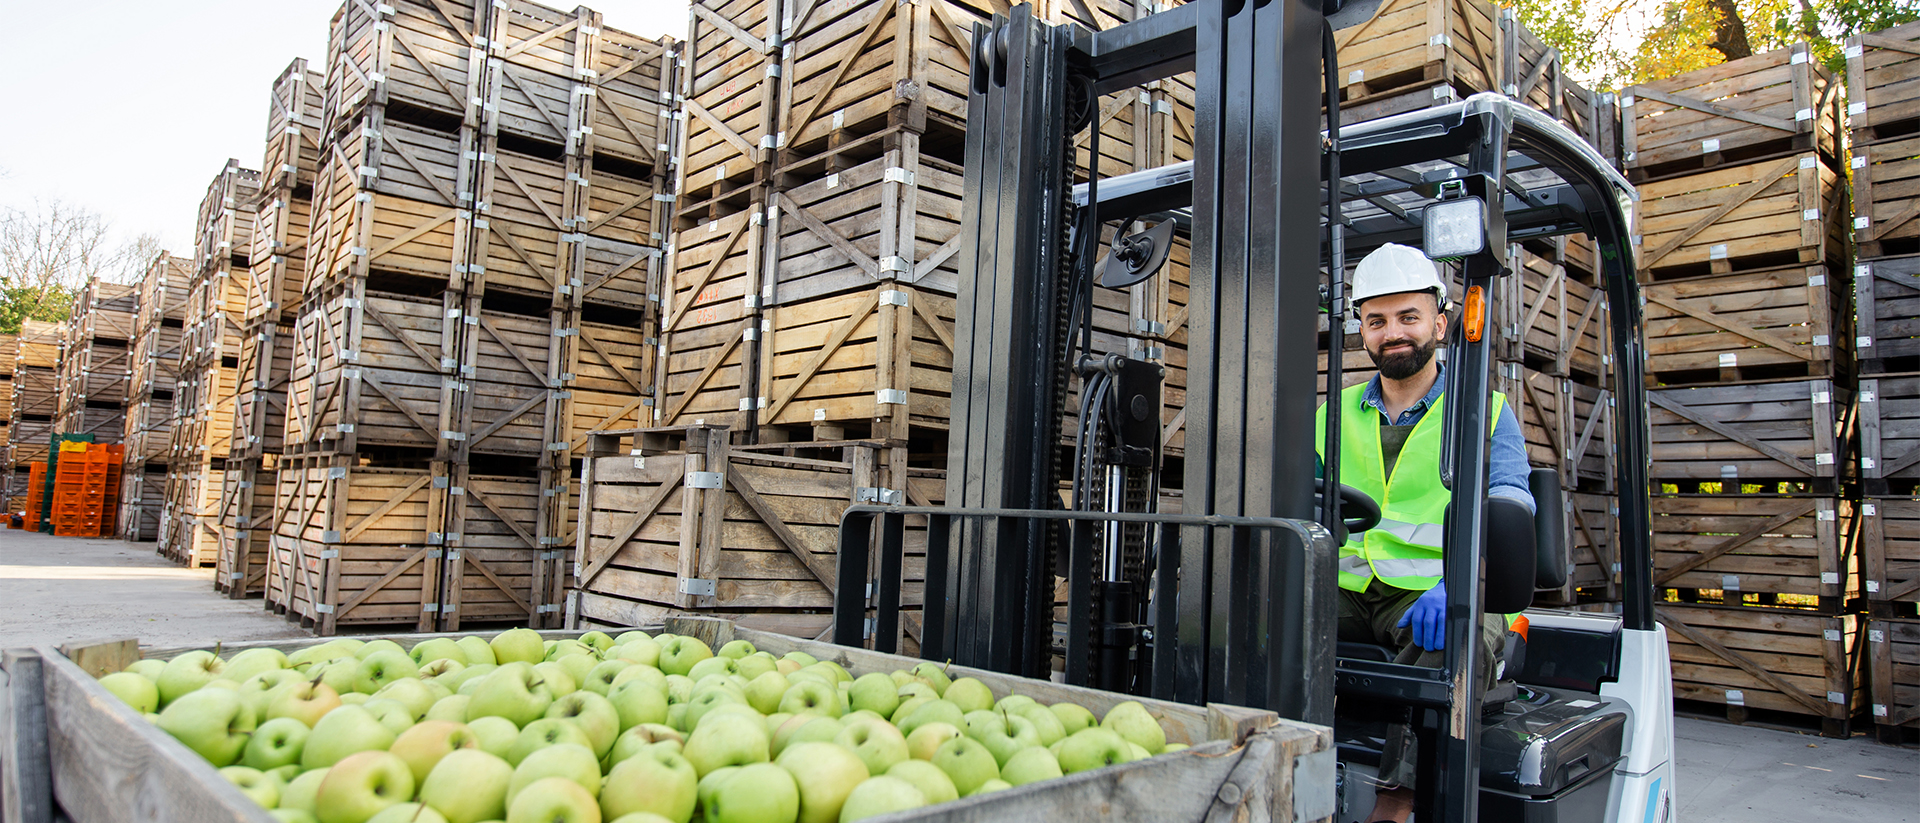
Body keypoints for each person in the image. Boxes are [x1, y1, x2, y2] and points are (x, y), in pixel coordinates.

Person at [1314, 242, 1535, 823]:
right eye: (1377, 320)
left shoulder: (1483, 410)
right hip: (1348, 591)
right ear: (1361, 330)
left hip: (1436, 592)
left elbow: (1510, 501)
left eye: (1408, 317)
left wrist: (1460, 577)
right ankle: (1264, 759)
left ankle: (1398, 803)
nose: (1394, 333)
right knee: (1248, 613)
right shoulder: (1329, 415)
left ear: (1440, 322)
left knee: (1457, 631)